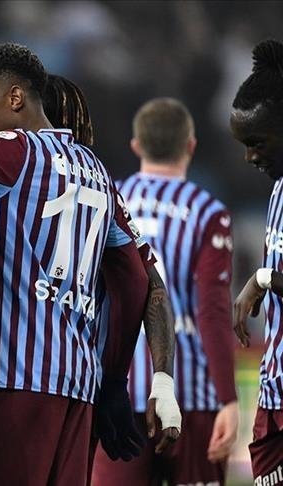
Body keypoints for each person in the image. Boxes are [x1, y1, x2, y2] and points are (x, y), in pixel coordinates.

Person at [0, 43, 155, 485]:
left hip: (9, 383)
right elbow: (135, 280)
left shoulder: (9, 153)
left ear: (15, 98)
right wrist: (114, 379)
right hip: (79, 390)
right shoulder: (97, 171)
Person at [38, 75, 184, 464]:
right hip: (85, 388)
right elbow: (148, 282)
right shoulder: (102, 186)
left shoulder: (10, 184)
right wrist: (149, 381)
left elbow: (143, 282)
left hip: (17, 385)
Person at [92, 97, 238, 485]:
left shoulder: (108, 199)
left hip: (117, 393)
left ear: (136, 146)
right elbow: (212, 311)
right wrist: (228, 398)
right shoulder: (208, 212)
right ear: (190, 145)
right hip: (193, 397)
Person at [229, 38, 283, 481]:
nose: (249, 156)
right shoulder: (278, 189)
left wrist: (262, 278)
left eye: (257, 142)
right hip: (274, 392)